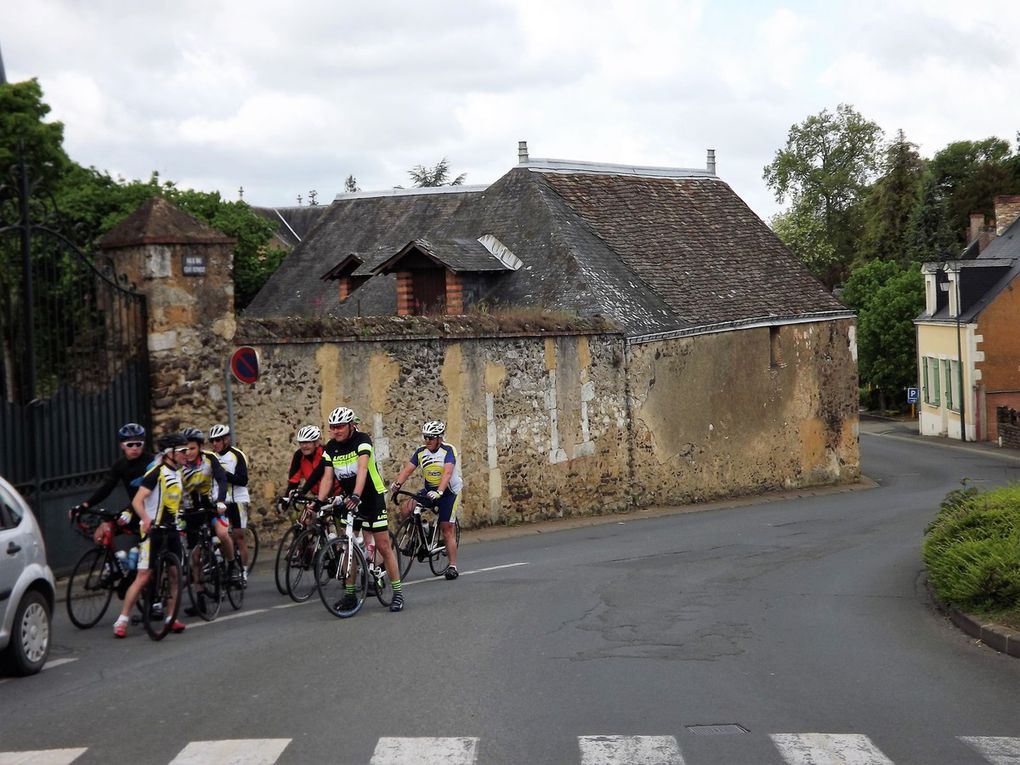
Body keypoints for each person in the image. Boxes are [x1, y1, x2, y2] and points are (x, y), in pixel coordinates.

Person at [301, 406, 404, 612]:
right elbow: (328, 477)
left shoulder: (362, 440)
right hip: (351, 499)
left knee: (383, 545)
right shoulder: (330, 447)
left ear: (350, 426)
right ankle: (349, 595)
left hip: (371, 497)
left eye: (340, 427)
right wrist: (317, 502)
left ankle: (398, 593)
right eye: (332, 427)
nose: (336, 431)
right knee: (348, 546)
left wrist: (357, 495)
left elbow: (363, 469)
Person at [113, 432, 188, 638]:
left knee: (174, 576)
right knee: (143, 576)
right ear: (169, 453)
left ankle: (171, 618)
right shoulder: (156, 473)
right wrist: (145, 519)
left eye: (187, 450)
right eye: (182, 451)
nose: (186, 454)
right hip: (153, 532)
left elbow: (174, 501)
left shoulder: (178, 473)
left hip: (171, 531)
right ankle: (122, 620)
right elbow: (138, 501)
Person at [389, 420, 462, 580]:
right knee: (407, 509)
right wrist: (397, 484)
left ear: (439, 438)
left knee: (446, 528)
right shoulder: (421, 452)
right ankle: (419, 532)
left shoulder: (448, 450)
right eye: (425, 437)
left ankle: (452, 566)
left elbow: (447, 473)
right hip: (429, 490)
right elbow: (408, 470)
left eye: (431, 437)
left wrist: (440, 491)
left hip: (448, 492)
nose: (427, 440)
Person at [178, 428, 238, 612]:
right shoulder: (179, 465)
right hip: (191, 513)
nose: (188, 452)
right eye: (185, 449)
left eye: (192, 448)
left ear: (199, 447)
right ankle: (200, 596)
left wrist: (220, 500)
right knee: (195, 557)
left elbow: (221, 480)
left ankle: (232, 564)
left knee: (222, 533)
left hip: (212, 508)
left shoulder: (210, 459)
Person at [70, 422, 155, 544]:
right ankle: (111, 561)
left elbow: (150, 492)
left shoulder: (151, 462)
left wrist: (129, 510)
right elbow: (106, 488)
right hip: (133, 511)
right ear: (122, 446)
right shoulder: (120, 465)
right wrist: (85, 505)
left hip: (150, 509)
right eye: (130, 444)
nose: (135, 448)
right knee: (100, 534)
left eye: (139, 444)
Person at [208, 424, 252, 579]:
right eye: (212, 441)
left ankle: (243, 571)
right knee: (219, 536)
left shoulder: (237, 455)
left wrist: (224, 475)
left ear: (226, 439)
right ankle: (221, 563)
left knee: (239, 536)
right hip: (220, 501)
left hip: (237, 500)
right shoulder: (211, 458)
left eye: (218, 440)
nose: (214, 444)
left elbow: (243, 480)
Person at [286, 425, 326, 497]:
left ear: (316, 443)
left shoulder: (325, 452)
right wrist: (286, 499)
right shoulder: (299, 455)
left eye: (307, 442)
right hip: (317, 496)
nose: (304, 446)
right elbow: (294, 481)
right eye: (301, 442)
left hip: (335, 494)